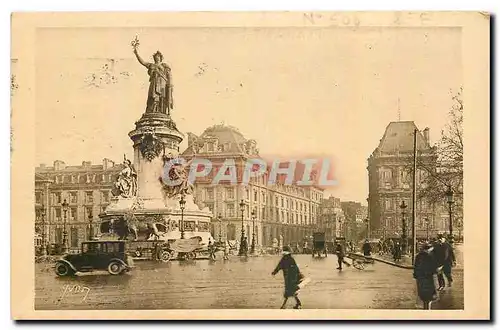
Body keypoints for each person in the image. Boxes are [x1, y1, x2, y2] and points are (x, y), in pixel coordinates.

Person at [413, 242, 438, 309]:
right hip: (428, 279)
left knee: (423, 296)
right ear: (428, 249)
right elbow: (433, 268)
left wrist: (416, 276)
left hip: (420, 279)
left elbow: (415, 268)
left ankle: (425, 308)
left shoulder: (418, 256)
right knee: (429, 297)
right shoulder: (430, 256)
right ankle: (428, 310)